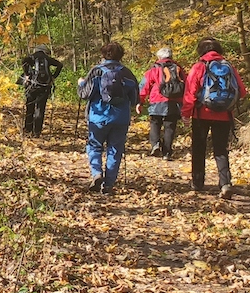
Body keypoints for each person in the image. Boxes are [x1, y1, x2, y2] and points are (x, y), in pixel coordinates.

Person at [182, 38, 247, 198]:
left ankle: (197, 183)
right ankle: (225, 183)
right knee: (221, 149)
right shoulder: (229, 67)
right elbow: (242, 91)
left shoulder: (199, 67)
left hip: (201, 113)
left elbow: (190, 93)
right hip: (224, 115)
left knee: (199, 148)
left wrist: (186, 113)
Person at [78, 42, 140, 195]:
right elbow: (135, 99)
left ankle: (96, 173)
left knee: (94, 146)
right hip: (120, 118)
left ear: (103, 54)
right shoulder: (127, 73)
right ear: (121, 55)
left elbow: (84, 94)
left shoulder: (96, 71)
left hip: (97, 117)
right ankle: (108, 184)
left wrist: (80, 84)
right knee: (115, 149)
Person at [137, 46, 185, 159]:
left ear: (159, 57)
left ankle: (155, 145)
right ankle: (167, 152)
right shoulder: (178, 68)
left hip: (157, 100)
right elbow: (186, 85)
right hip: (175, 101)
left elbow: (144, 86)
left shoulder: (154, 69)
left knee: (155, 123)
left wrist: (140, 101)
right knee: (170, 126)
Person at [19, 45, 63, 137]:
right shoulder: (48, 58)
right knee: (40, 109)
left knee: (30, 107)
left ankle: (28, 129)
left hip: (32, 86)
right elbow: (60, 65)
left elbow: (24, 62)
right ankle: (37, 132)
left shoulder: (32, 57)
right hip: (44, 87)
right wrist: (53, 77)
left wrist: (27, 74)